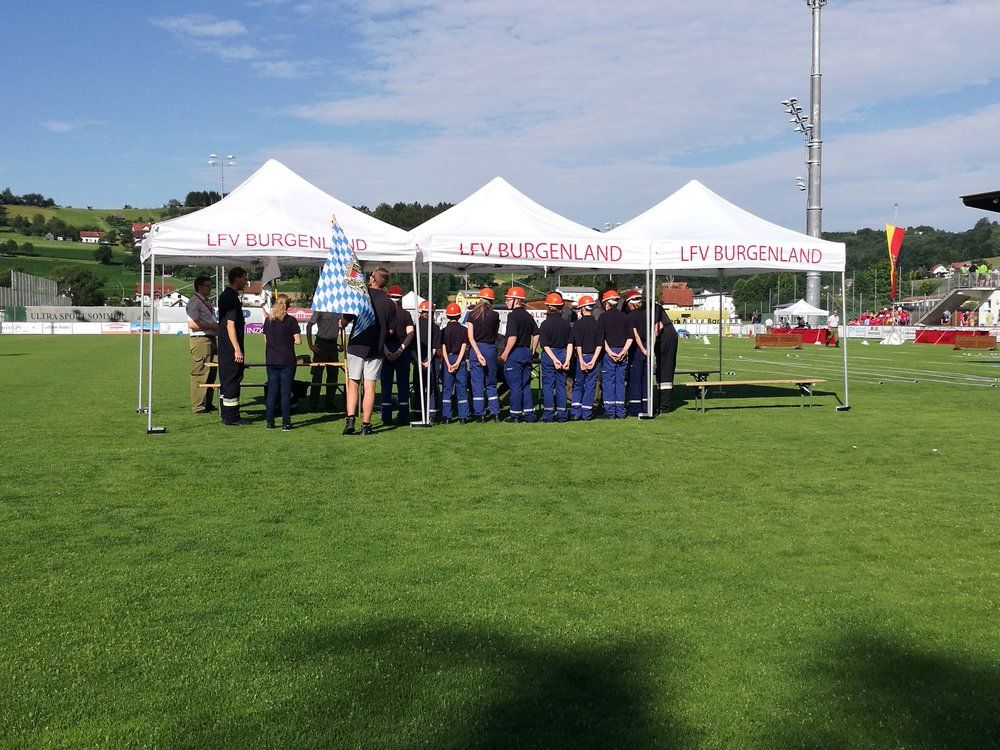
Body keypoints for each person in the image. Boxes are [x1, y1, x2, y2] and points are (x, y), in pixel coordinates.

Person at [343, 267, 396, 436]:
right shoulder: (389, 303)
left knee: (353, 383)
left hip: (357, 345)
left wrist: (342, 322)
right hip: (376, 348)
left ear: (373, 279)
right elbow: (391, 330)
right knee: (370, 387)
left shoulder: (361, 296)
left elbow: (345, 321)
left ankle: (350, 420)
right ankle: (366, 425)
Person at [499, 286, 539, 423]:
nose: (506, 302)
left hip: (515, 353)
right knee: (525, 385)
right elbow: (537, 334)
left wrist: (505, 353)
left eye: (508, 299)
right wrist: (533, 350)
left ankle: (515, 415)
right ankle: (530, 415)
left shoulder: (512, 316)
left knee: (515, 386)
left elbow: (513, 337)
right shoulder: (528, 315)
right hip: (526, 352)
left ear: (516, 300)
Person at [262, 295, 302, 431]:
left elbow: (266, 340)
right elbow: (298, 341)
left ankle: (270, 421)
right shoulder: (291, 321)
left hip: (271, 359)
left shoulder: (268, 320)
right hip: (287, 360)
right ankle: (286, 422)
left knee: (272, 392)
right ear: (288, 306)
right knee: (285, 392)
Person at [217, 267, 249, 426]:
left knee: (226, 381)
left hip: (224, 346)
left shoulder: (225, 295)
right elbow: (230, 325)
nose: (246, 282)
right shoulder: (231, 298)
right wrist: (237, 349)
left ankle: (225, 414)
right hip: (230, 348)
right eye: (244, 278)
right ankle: (232, 417)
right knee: (232, 380)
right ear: (237, 278)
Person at [380, 285, 414, 426]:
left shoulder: (383, 313)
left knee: (386, 386)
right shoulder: (405, 314)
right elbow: (410, 333)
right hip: (402, 352)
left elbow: (379, 333)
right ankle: (403, 416)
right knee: (403, 385)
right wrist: (400, 350)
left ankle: (386, 417)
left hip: (386, 351)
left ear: (388, 296)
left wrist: (386, 350)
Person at [466, 287, 501, 422]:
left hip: (476, 349)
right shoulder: (495, 315)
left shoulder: (472, 315)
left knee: (477, 384)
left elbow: (470, 337)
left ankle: (480, 414)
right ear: (491, 301)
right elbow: (495, 333)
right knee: (491, 382)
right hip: (490, 348)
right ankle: (495, 413)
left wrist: (478, 353)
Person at [185, 275, 218, 414]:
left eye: (210, 285)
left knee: (211, 372)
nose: (210, 288)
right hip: (200, 339)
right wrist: (212, 325)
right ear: (199, 287)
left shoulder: (206, 301)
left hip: (210, 338)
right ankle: (199, 405)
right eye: (207, 285)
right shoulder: (194, 302)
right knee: (200, 372)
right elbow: (192, 324)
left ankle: (207, 403)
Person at [538, 292, 572, 423]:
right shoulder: (566, 324)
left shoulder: (545, 324)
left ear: (548, 307)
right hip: (563, 354)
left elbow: (545, 345)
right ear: (560, 307)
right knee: (561, 385)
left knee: (548, 385)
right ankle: (562, 414)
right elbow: (570, 343)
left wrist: (554, 359)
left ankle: (548, 414)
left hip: (550, 355)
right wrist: (567, 360)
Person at [597, 289, 630, 419]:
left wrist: (610, 352)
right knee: (620, 382)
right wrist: (623, 351)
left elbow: (601, 338)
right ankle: (620, 411)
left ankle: (609, 412)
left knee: (608, 382)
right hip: (622, 352)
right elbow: (630, 337)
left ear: (606, 303)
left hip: (609, 352)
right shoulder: (625, 317)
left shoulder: (603, 317)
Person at [569, 296, 601, 421]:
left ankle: (576, 412)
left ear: (582, 309)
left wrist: (581, 360)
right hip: (593, 357)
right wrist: (593, 360)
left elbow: (578, 345)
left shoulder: (577, 324)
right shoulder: (597, 324)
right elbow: (599, 345)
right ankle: (587, 413)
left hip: (581, 357)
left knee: (578, 385)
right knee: (590, 386)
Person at [440, 303, 470, 423]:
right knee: (461, 388)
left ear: (447, 315)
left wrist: (448, 364)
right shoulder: (464, 330)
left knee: (447, 389)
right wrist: (458, 362)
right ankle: (463, 416)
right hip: (459, 359)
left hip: (448, 359)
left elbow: (443, 348)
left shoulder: (444, 331)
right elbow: (463, 346)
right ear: (459, 315)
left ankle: (447, 416)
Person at [306, 309, 341, 411]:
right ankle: (313, 403)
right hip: (321, 344)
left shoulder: (339, 310)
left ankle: (330, 403)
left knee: (333, 374)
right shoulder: (320, 309)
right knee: (317, 374)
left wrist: (343, 343)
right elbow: (309, 325)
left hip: (333, 344)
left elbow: (342, 327)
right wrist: (311, 345)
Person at [411, 300, 441, 422]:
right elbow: (435, 347)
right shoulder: (435, 328)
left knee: (418, 388)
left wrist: (418, 362)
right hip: (431, 362)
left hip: (417, 361)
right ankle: (432, 413)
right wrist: (428, 361)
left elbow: (412, 348)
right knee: (431, 388)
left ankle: (418, 412)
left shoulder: (415, 327)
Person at [624, 290, 649, 417]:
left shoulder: (630, 317)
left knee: (635, 380)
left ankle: (635, 408)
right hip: (647, 346)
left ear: (631, 303)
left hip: (637, 349)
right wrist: (649, 348)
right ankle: (646, 406)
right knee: (645, 380)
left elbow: (635, 335)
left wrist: (642, 349)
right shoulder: (647, 315)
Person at [655, 303, 678, 413]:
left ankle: (664, 405)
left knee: (665, 370)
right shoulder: (654, 307)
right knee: (662, 370)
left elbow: (658, 327)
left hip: (666, 336)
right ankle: (662, 401)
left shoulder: (652, 309)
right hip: (666, 335)